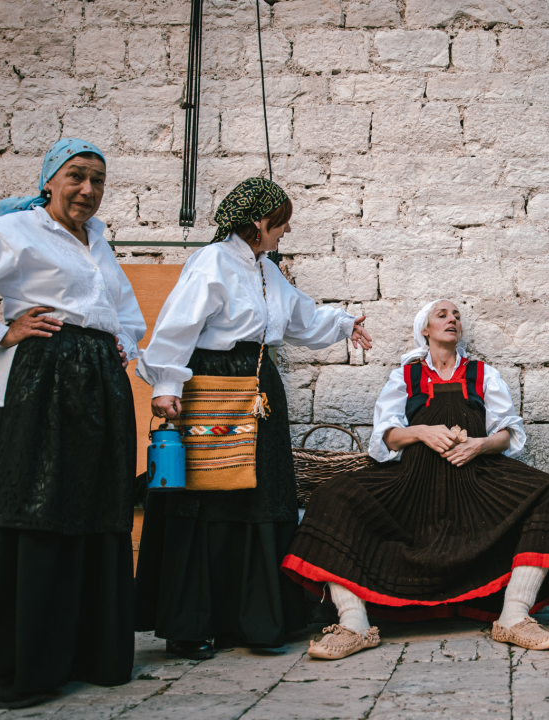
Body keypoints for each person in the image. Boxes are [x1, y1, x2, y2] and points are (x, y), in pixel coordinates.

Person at [0, 139, 145, 709]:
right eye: (76, 177)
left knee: (92, 507)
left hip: (98, 386)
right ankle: (10, 661)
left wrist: (118, 344)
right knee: (35, 507)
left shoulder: (100, 243)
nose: (88, 190)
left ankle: (80, 652)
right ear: (50, 181)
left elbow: (127, 313)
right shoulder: (16, 232)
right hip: (41, 381)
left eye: (97, 179)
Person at [134, 177, 372, 659]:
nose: (285, 232)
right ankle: (193, 624)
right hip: (212, 387)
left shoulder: (267, 270)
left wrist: (345, 324)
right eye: (281, 223)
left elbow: (300, 318)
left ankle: (253, 620)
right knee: (209, 497)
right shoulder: (213, 263)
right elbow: (178, 324)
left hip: (259, 391)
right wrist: (165, 385)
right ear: (260, 223)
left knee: (258, 496)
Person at [281, 299, 549, 660]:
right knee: (332, 496)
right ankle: (354, 623)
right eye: (442, 314)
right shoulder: (405, 375)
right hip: (413, 482)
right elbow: (385, 436)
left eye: (457, 316)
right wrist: (420, 431)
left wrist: (480, 445)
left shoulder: (483, 373)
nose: (452, 319)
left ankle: (514, 616)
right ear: (425, 329)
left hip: (477, 480)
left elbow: (508, 433)